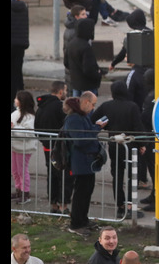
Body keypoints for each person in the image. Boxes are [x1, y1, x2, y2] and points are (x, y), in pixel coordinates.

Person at [93, 80, 145, 218]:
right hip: (130, 145)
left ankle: (120, 206)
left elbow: (93, 119)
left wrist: (105, 125)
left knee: (117, 175)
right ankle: (130, 206)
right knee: (132, 176)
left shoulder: (106, 106)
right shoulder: (132, 106)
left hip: (114, 144)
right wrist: (142, 144)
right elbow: (138, 127)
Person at [64, 93, 108, 235]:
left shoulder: (82, 116)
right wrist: (97, 128)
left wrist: (95, 127)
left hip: (88, 161)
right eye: (93, 104)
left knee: (87, 191)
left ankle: (83, 219)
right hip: (80, 161)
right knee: (81, 193)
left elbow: (85, 134)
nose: (93, 107)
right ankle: (76, 223)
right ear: (86, 102)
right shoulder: (74, 118)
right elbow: (80, 140)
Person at [36, 81, 72, 213]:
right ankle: (63, 205)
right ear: (60, 91)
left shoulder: (41, 107)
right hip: (60, 148)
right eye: (65, 90)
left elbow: (36, 128)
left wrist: (44, 141)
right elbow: (67, 125)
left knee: (51, 175)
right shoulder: (60, 107)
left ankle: (53, 204)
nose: (66, 93)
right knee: (64, 176)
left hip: (47, 147)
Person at [66, 18, 103, 97]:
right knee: (88, 104)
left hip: (76, 83)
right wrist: (98, 74)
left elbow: (66, 63)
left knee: (76, 103)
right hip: (88, 85)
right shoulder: (86, 47)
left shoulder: (71, 43)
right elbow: (89, 69)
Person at [11, 90, 36, 204]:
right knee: (15, 170)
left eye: (17, 98)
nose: (15, 100)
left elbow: (28, 133)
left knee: (22, 170)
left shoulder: (30, 117)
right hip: (14, 146)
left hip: (24, 148)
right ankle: (18, 190)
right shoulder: (15, 113)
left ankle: (25, 193)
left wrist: (14, 129)